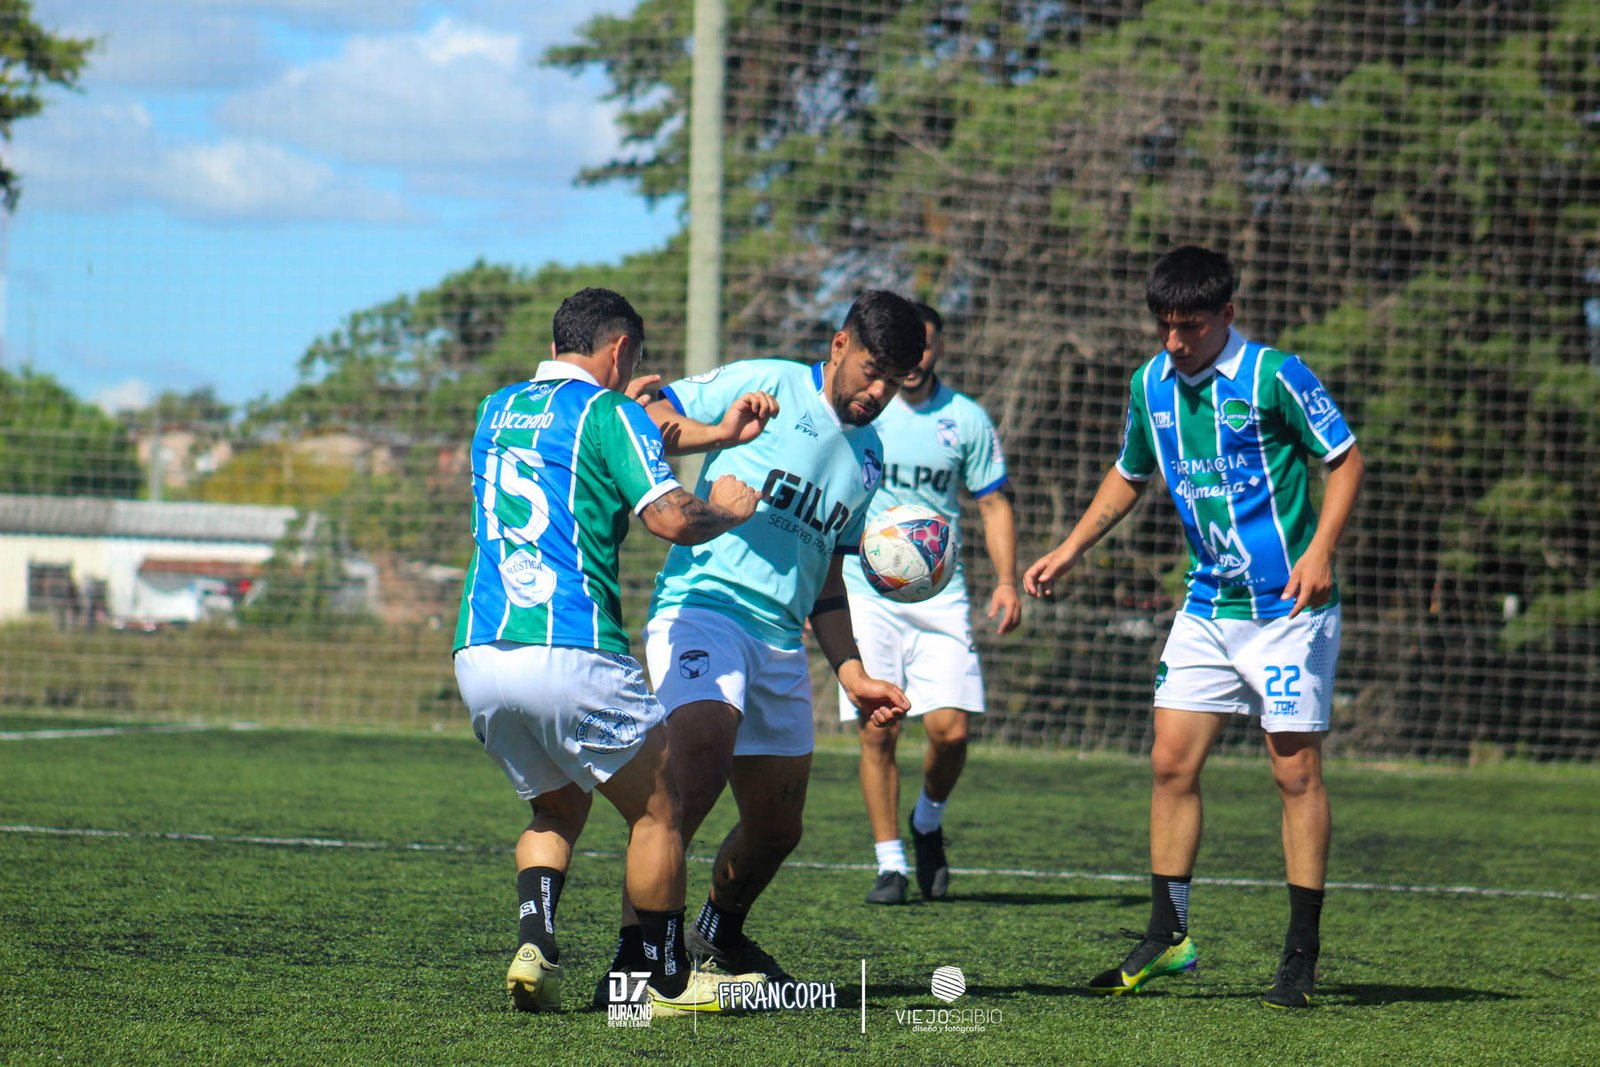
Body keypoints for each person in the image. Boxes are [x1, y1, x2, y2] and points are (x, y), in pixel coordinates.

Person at [1023, 247, 1365, 1010]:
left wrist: (1320, 550)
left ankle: (1301, 955)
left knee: (1294, 773)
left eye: (1192, 325)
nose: (1175, 341)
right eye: (1165, 325)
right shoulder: (1150, 384)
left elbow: (1344, 461)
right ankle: (1168, 934)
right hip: (1207, 607)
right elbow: (1129, 473)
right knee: (1170, 762)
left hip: (1288, 612)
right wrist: (1070, 548)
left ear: (1226, 315)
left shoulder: (1276, 375)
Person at [453, 287, 774, 1015]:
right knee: (661, 809)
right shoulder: (610, 413)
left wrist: (712, 431)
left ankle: (534, 945)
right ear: (622, 349)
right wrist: (728, 511)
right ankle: (667, 980)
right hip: (571, 649)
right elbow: (670, 518)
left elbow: (585, 445)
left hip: (481, 652)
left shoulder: (494, 409)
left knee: (556, 808)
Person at [597, 289, 925, 997]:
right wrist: (718, 431)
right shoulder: (766, 381)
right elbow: (643, 420)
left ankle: (718, 933)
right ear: (839, 345)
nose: (877, 392)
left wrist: (853, 673)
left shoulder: (870, 456)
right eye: (871, 371)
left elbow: (829, 576)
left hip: (781, 641)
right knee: (691, 779)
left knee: (777, 827)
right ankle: (635, 962)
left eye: (894, 382)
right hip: (704, 609)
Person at [836, 303, 1021, 905]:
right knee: (878, 728)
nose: (912, 363)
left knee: (951, 731)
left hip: (940, 595)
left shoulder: (966, 419)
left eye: (922, 350)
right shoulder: (865, 409)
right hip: (866, 589)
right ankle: (889, 863)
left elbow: (993, 502)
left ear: (936, 349)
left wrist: (1007, 580)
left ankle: (927, 820)